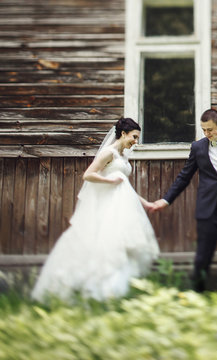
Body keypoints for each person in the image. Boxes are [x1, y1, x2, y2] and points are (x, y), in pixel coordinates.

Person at [31, 117, 159, 303]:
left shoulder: (123, 156)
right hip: (107, 205)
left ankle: (113, 291)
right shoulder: (109, 153)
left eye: (137, 138)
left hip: (122, 206)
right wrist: (109, 181)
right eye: (134, 136)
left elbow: (125, 185)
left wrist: (145, 203)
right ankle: (88, 288)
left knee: (118, 246)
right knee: (100, 243)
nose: (135, 141)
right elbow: (88, 175)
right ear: (123, 134)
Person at [151, 108, 217, 296]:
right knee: (202, 258)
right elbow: (184, 177)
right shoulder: (198, 147)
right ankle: (196, 296)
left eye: (210, 130)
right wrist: (166, 200)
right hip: (207, 211)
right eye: (203, 130)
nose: (207, 134)